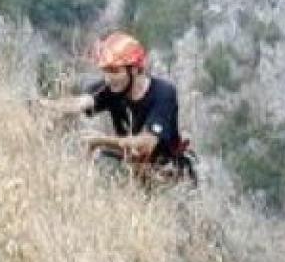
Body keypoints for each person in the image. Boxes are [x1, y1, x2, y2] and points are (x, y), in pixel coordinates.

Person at [39, 31, 193, 180]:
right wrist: (46, 105)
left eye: (114, 71)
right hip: (134, 169)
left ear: (133, 69)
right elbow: (80, 103)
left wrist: (101, 140)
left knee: (104, 160)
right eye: (105, 71)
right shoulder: (111, 88)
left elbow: (145, 145)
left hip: (168, 174)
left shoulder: (163, 94)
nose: (109, 78)